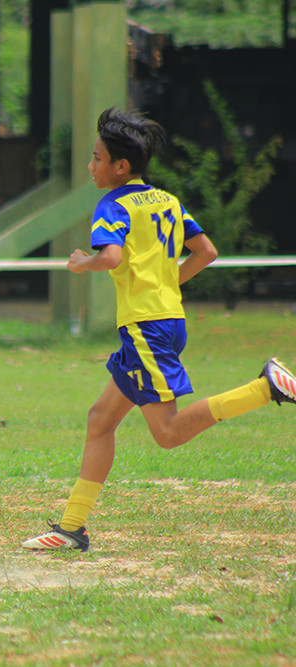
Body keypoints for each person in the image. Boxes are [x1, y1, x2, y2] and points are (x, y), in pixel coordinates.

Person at [22, 107, 296, 553]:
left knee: (166, 434)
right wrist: (167, 283)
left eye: (96, 158)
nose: (91, 166)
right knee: (100, 420)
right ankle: (72, 527)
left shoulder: (112, 205)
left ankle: (264, 388)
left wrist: (80, 263)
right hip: (166, 321)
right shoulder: (166, 200)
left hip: (145, 329)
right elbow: (205, 252)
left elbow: (110, 257)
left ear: (120, 166)